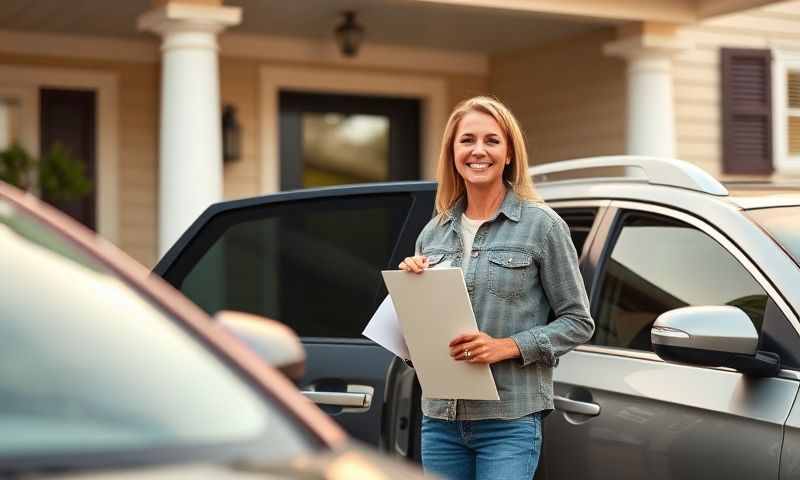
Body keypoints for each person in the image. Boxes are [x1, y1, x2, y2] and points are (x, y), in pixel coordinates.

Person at [399, 96, 594, 480]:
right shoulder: (433, 233)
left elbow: (578, 322)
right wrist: (411, 294)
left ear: (508, 154)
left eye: (491, 140)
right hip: (441, 421)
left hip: (510, 420)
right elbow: (419, 346)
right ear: (452, 152)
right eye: (467, 140)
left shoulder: (542, 226)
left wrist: (505, 347)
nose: (478, 151)